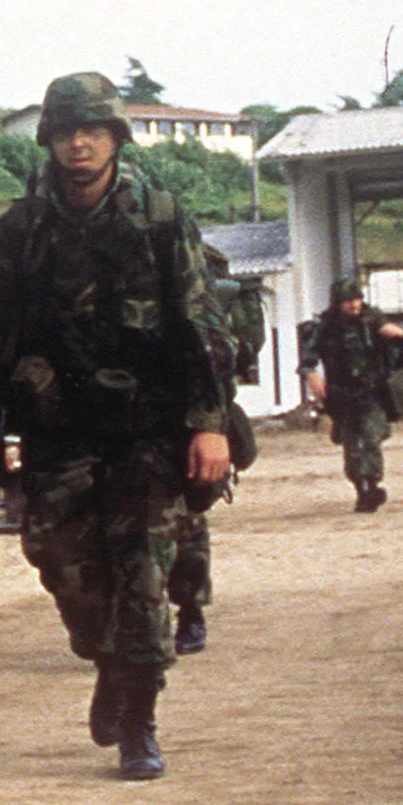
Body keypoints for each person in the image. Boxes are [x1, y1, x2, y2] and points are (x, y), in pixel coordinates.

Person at [0, 72, 231, 781]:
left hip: (148, 430)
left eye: (92, 130)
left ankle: (140, 723)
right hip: (59, 432)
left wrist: (207, 423)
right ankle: (108, 664)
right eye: (65, 132)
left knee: (145, 578)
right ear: (49, 142)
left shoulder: (158, 215)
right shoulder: (21, 228)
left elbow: (201, 322)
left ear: (115, 137)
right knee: (65, 570)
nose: (78, 143)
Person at [168, 244, 263, 652]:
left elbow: (237, 351)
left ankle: (190, 609)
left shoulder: (197, 269)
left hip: (188, 416)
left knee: (185, 524)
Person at [299, 274, 403, 513]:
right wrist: (311, 375)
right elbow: (308, 357)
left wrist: (398, 335)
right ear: (337, 303)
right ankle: (361, 489)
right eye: (347, 300)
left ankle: (373, 484)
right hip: (342, 397)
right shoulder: (326, 327)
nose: (354, 305)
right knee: (351, 447)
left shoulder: (372, 320)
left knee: (370, 437)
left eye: (357, 299)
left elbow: (401, 348)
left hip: (372, 393)